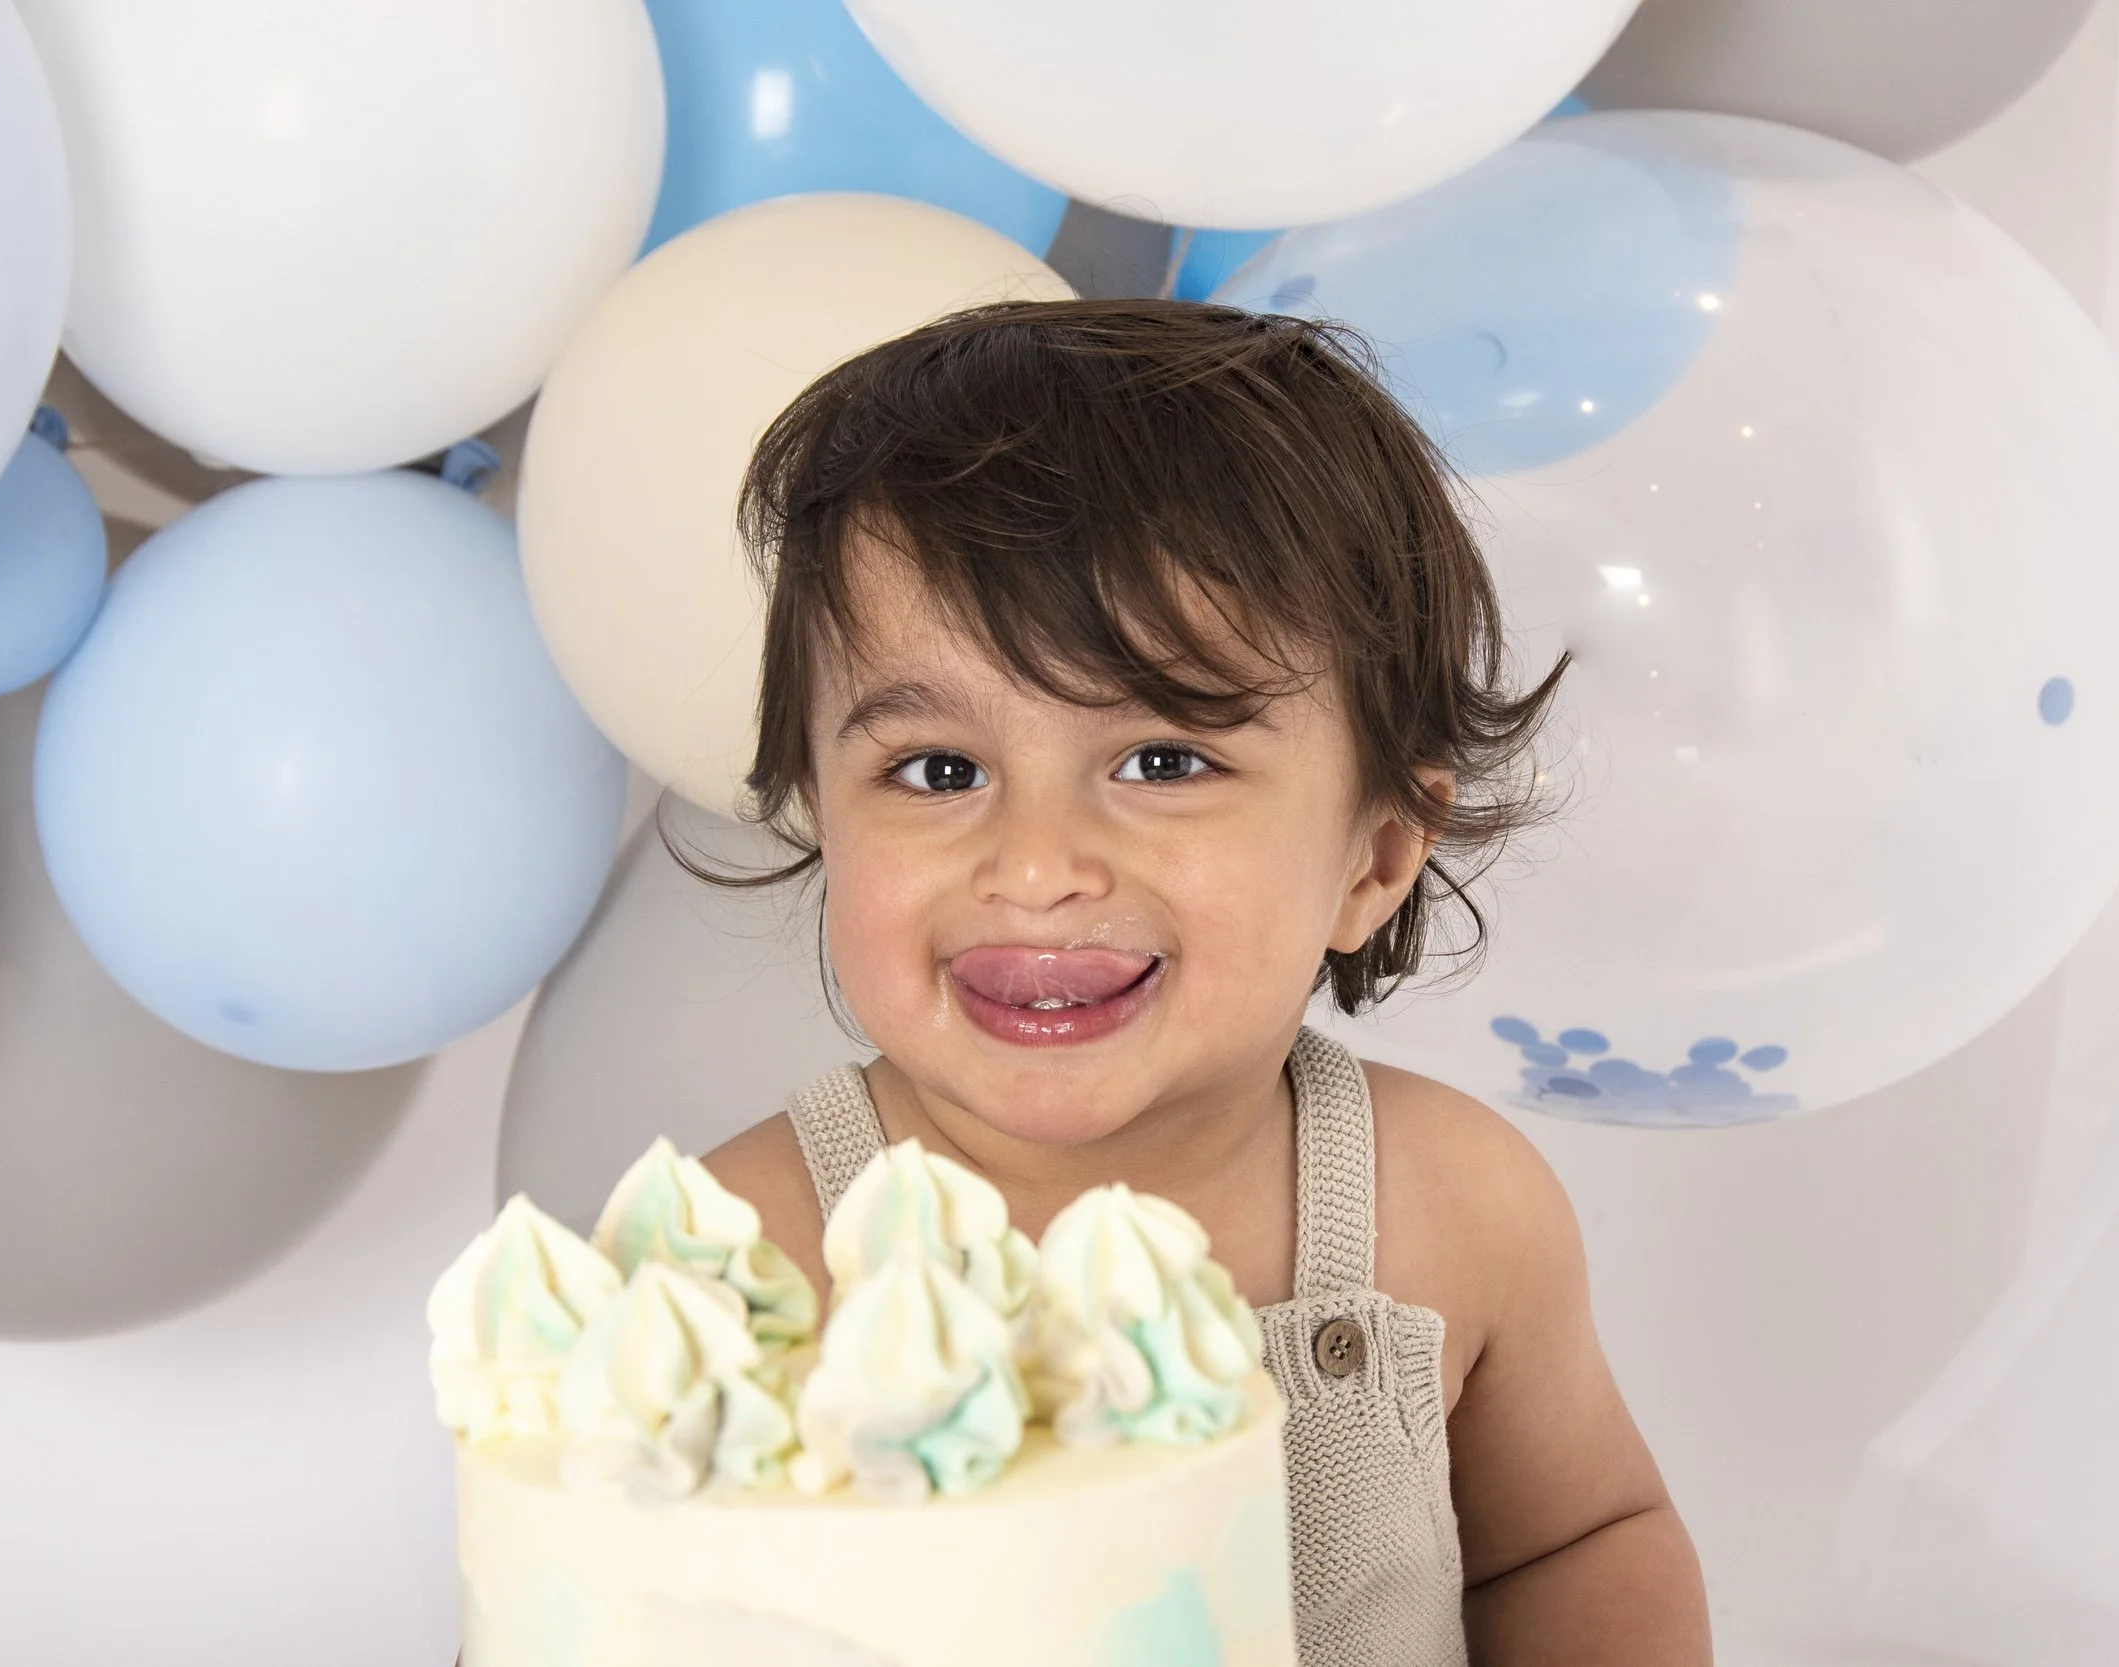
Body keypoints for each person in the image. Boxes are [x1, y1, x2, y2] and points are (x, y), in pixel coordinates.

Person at [696, 297, 1710, 1666]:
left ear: (1377, 854)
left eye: (1162, 760)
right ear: (822, 811)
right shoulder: (742, 1259)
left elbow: (1577, 1539)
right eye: (939, 770)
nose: (1037, 865)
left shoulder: (1451, 1207)